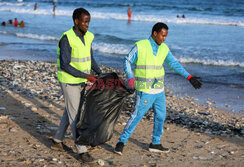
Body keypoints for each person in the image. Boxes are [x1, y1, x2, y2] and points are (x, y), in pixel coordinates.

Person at [114, 22, 202, 155]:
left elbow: (174, 64)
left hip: (159, 90)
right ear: (155, 33)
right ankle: (121, 142)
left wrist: (189, 77)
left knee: (161, 116)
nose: (164, 38)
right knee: (136, 116)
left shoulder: (164, 48)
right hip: (144, 90)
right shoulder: (141, 46)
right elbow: (127, 60)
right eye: (162, 35)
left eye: (166, 36)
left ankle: (155, 143)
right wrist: (130, 77)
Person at [51, 8, 102, 162]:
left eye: (89, 22)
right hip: (68, 81)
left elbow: (90, 58)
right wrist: (87, 76)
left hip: (81, 80)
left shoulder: (89, 36)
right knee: (75, 116)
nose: (87, 24)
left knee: (70, 111)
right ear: (76, 21)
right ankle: (81, 151)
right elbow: (65, 65)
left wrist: (100, 74)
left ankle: (56, 141)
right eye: (85, 21)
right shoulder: (67, 38)